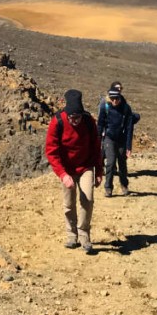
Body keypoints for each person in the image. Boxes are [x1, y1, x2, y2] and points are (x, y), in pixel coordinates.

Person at [45, 89, 102, 254]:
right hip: (67, 170)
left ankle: (84, 235)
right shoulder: (58, 122)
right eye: (72, 118)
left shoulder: (89, 121)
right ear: (67, 114)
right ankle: (72, 235)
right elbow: (51, 151)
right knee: (69, 204)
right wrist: (63, 174)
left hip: (85, 167)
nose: (75, 121)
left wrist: (98, 172)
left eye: (78, 117)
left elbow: (96, 149)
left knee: (87, 200)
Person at [97, 84, 135, 196]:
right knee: (110, 162)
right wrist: (98, 140)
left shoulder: (126, 108)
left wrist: (128, 147)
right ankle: (108, 187)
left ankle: (124, 185)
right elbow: (100, 124)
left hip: (121, 140)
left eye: (116, 98)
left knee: (122, 164)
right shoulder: (105, 107)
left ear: (120, 97)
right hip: (109, 138)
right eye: (112, 98)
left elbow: (129, 129)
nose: (114, 101)